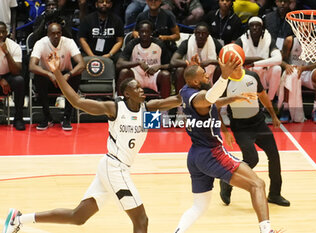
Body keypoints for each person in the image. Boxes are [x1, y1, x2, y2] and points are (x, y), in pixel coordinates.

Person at [2, 49, 183, 233]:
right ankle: (18, 220)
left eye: (140, 87)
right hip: (114, 168)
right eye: (135, 88)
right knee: (141, 221)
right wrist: (56, 72)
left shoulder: (147, 109)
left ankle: (18, 219)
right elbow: (77, 102)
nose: (141, 89)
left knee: (78, 217)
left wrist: (196, 87)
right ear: (127, 94)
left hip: (113, 167)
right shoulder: (114, 108)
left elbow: (176, 100)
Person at [173, 55, 280, 233]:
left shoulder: (185, 91)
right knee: (257, 184)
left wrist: (233, 98)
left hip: (195, 156)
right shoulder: (199, 97)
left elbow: (211, 102)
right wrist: (224, 76)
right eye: (204, 75)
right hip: (212, 154)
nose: (207, 76)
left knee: (199, 207)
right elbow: (208, 98)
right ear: (195, 82)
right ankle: (266, 230)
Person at [218, 63, 290, 208]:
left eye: (238, 64)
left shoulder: (252, 76)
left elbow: (263, 96)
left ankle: (274, 194)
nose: (236, 67)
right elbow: (215, 109)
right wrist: (225, 131)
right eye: (233, 65)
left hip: (258, 123)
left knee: (274, 156)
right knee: (252, 159)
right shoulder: (224, 83)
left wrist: (273, 115)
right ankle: (227, 180)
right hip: (240, 127)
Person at [29, 22, 85, 131]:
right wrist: (50, 74)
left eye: (58, 33)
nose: (56, 36)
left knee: (76, 75)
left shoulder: (69, 42)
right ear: (48, 34)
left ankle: (66, 117)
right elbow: (32, 66)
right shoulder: (40, 43)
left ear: (61, 33)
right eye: (53, 33)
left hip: (64, 76)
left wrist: (68, 75)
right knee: (39, 77)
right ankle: (47, 117)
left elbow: (81, 64)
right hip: (48, 77)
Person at [235, 16, 282, 123]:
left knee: (277, 69)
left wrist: (255, 63)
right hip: (248, 77)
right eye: (252, 26)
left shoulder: (269, 39)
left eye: (258, 26)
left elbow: (278, 59)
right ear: (248, 28)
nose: (255, 28)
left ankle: (268, 104)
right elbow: (236, 57)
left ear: (262, 28)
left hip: (264, 76)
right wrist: (261, 59)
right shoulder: (242, 39)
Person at [116, 20, 172, 99]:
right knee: (124, 72)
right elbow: (119, 64)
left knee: (165, 74)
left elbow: (170, 65)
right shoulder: (132, 44)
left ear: (151, 33)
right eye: (142, 32)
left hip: (154, 75)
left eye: (147, 32)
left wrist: (159, 66)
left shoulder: (159, 44)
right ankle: (121, 102)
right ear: (138, 33)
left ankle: (165, 107)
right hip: (137, 75)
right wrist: (138, 63)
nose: (144, 34)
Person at [278, 34, 316, 123]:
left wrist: (304, 68)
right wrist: (286, 66)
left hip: (308, 72)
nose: (304, 27)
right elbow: (281, 60)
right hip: (294, 72)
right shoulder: (290, 40)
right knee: (288, 73)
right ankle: (286, 109)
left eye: (307, 24)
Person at [0, 21, 25, 131]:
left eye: (3, 32)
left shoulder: (14, 46)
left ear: (7, 33)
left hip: (9, 76)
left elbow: (16, 71)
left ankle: (18, 119)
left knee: (19, 80)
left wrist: (6, 53)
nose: (0, 35)